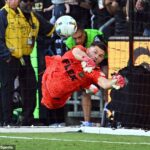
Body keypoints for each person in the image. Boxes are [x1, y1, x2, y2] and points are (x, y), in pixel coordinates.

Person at [0, 0, 54, 126]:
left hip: (25, 56)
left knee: (31, 86)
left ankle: (27, 119)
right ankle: (6, 120)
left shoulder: (33, 16)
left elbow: (49, 30)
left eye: (31, 1)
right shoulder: (2, 15)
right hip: (9, 58)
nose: (28, 3)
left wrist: (62, 27)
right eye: (26, 1)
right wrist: (6, 56)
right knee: (7, 88)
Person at [41, 41, 125, 112]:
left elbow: (105, 84)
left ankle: (86, 86)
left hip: (54, 97)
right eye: (95, 52)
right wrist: (86, 59)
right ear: (88, 49)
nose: (96, 57)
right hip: (48, 74)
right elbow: (76, 52)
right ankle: (86, 86)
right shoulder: (80, 49)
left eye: (100, 56)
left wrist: (115, 81)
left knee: (50, 106)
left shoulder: (94, 71)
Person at [64, 25, 108, 126]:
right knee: (85, 90)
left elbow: (103, 52)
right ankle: (87, 122)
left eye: (80, 37)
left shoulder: (96, 35)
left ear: (84, 33)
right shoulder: (69, 42)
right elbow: (68, 62)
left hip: (102, 60)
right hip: (83, 63)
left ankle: (108, 118)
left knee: (106, 83)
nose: (77, 40)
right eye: (75, 38)